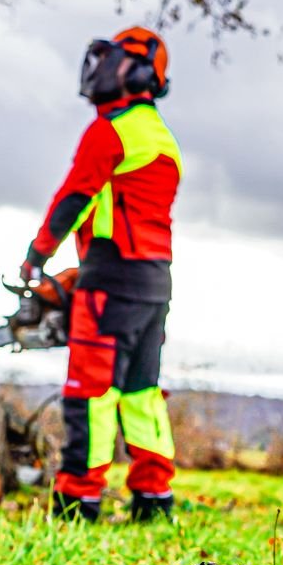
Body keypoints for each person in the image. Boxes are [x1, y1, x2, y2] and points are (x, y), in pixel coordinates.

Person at [22, 27, 182, 523]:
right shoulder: (161, 135)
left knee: (90, 395)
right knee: (141, 397)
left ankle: (78, 500)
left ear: (129, 70)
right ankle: (153, 498)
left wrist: (36, 256)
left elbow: (75, 197)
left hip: (110, 283)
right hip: (154, 284)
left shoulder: (111, 130)